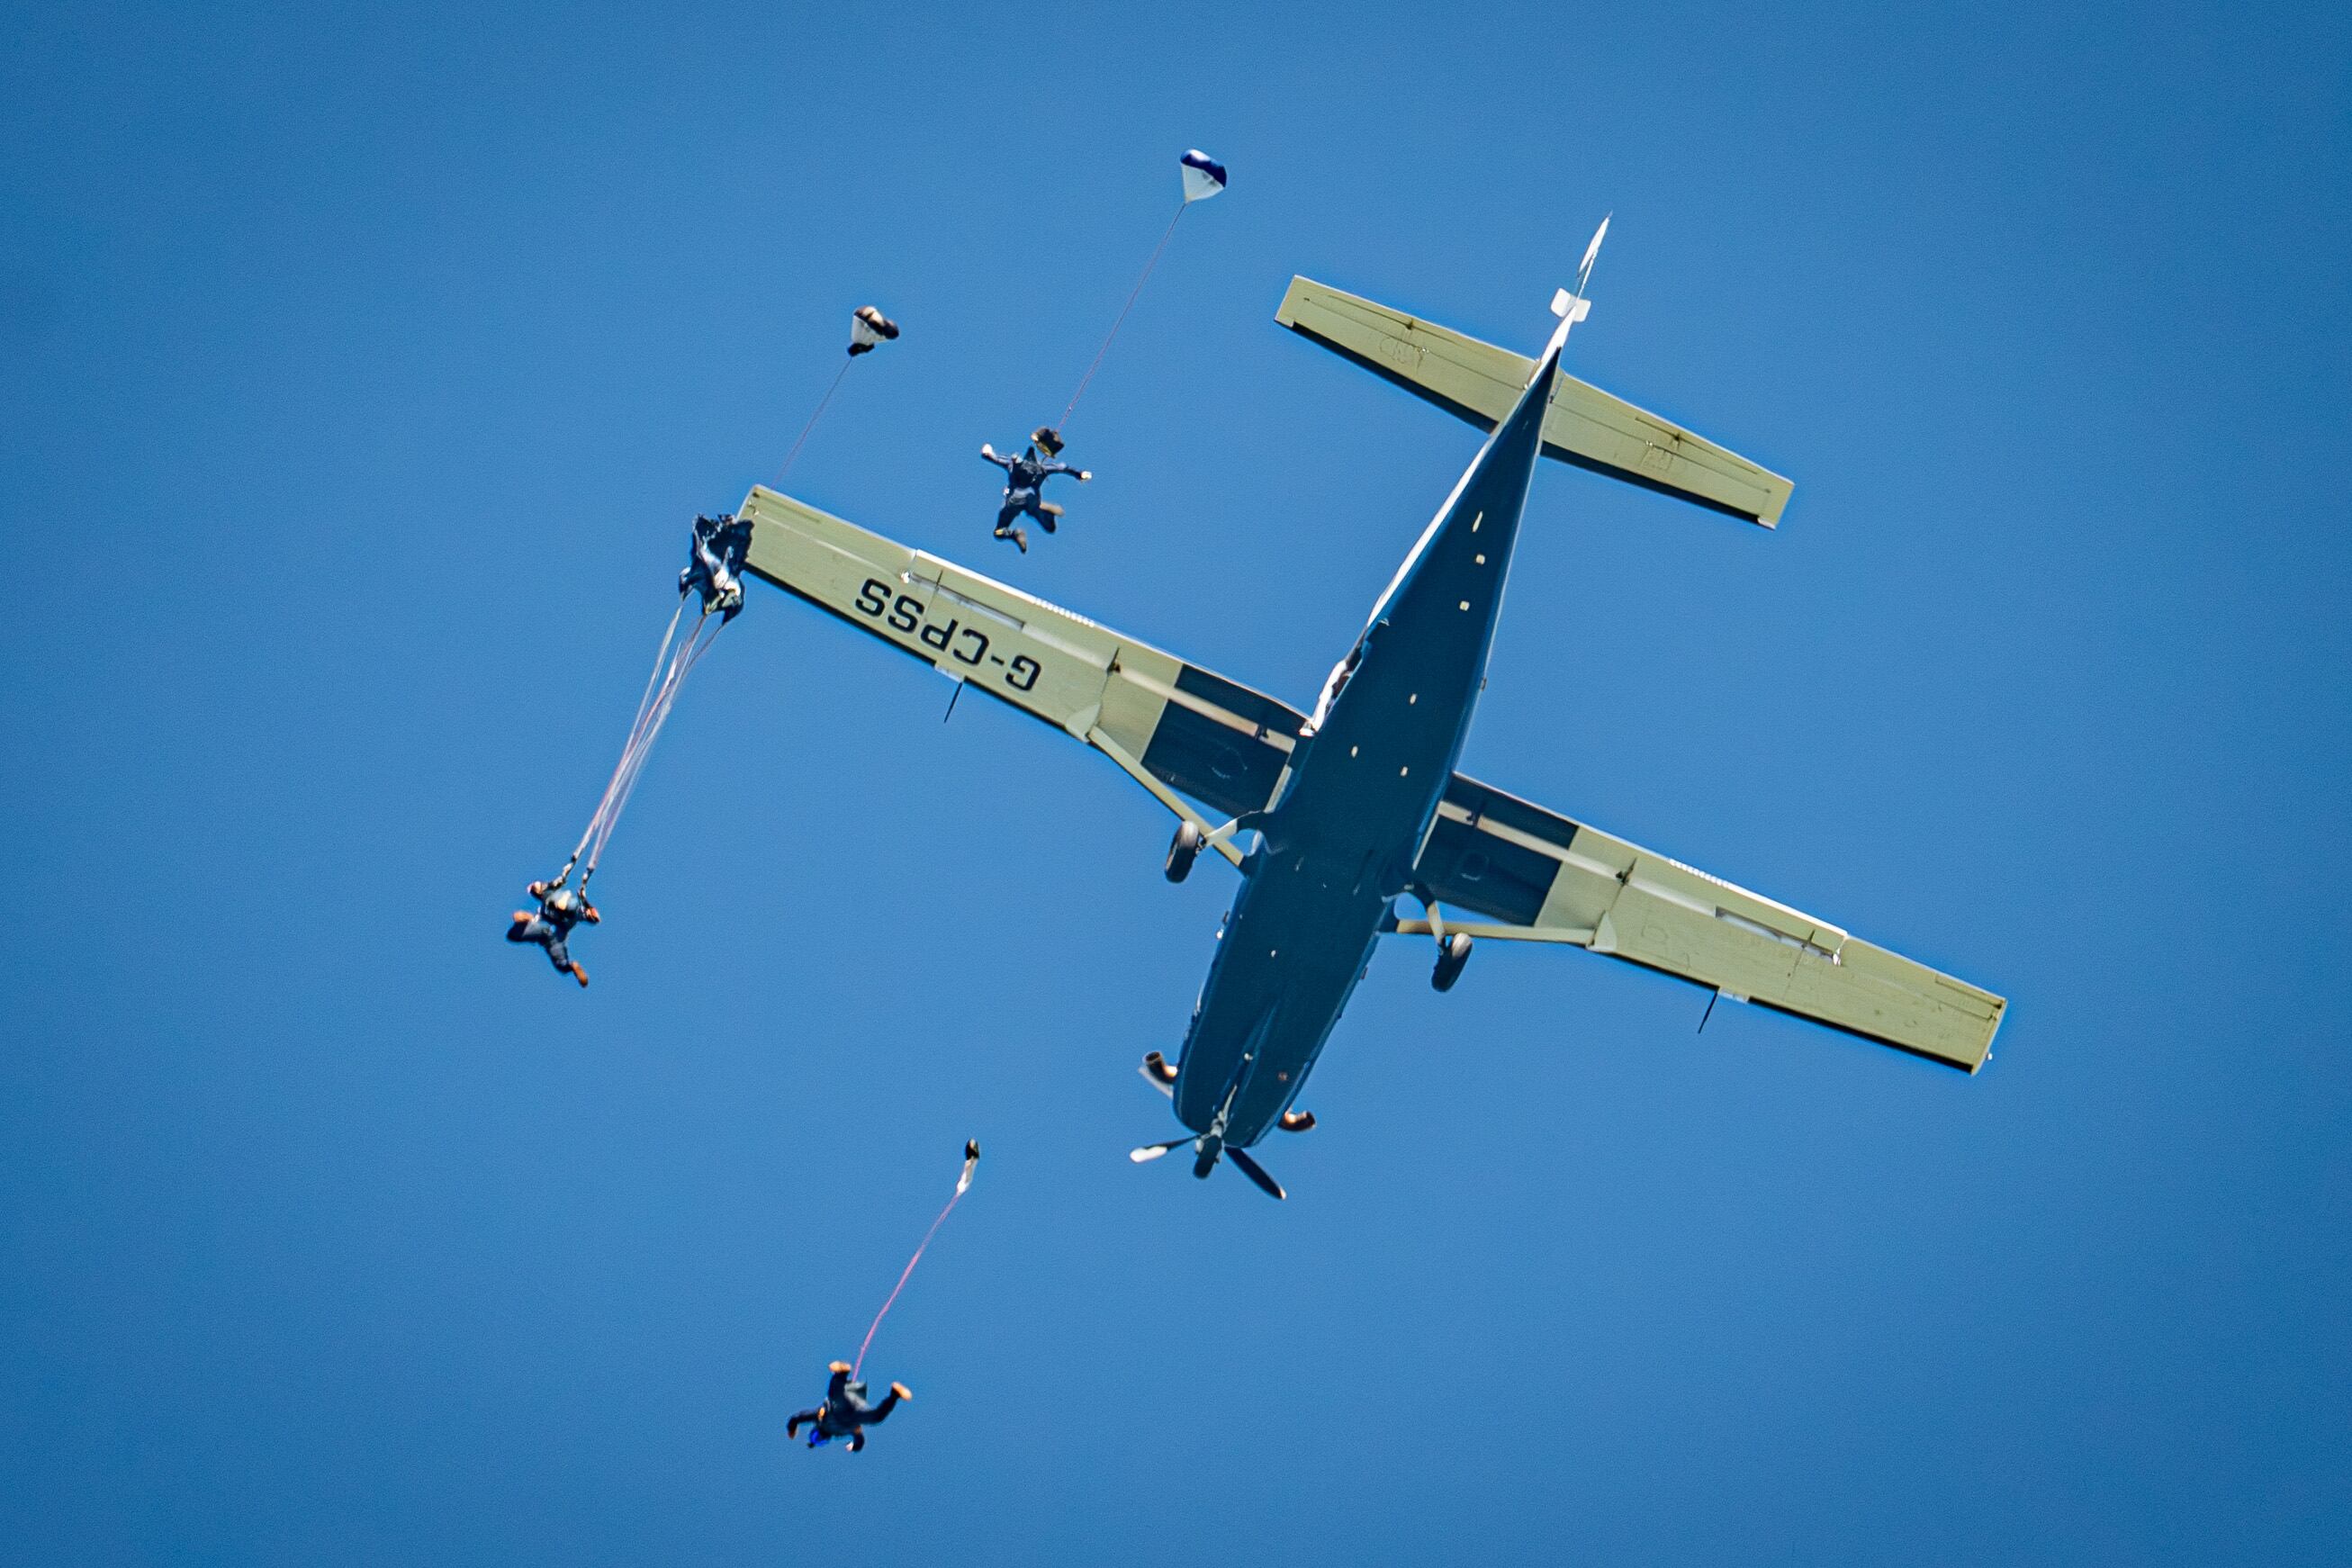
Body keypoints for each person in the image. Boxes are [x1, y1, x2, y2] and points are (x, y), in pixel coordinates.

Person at [980, 427, 1091, 553]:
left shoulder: (1020, 465)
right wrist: (1079, 474)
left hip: (1019, 503)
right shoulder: (1040, 469)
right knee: (1047, 528)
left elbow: (993, 458)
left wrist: (987, 453)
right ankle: (1018, 532)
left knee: (999, 533)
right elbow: (1062, 468)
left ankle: (1019, 531)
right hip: (1028, 503)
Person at [787, 1362, 911, 1453]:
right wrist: (854, 1447)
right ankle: (895, 1394)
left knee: (836, 1398)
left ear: (815, 1431)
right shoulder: (843, 1432)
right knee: (876, 1418)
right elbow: (860, 1441)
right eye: (820, 1441)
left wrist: (792, 1429)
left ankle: (841, 1373)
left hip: (840, 1408)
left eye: (816, 1437)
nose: (820, 1437)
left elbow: (797, 1417)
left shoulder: (820, 1419)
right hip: (856, 1414)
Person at [506, 880, 599, 987]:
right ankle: (572, 966)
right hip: (555, 934)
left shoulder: (549, 895)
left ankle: (572, 966)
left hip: (552, 928)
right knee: (562, 965)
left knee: (568, 908)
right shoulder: (549, 896)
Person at [680, 512, 752, 620]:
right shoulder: (726, 535)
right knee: (733, 586)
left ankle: (725, 597)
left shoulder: (716, 534)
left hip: (712, 571)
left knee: (729, 585)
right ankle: (727, 597)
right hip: (715, 571)